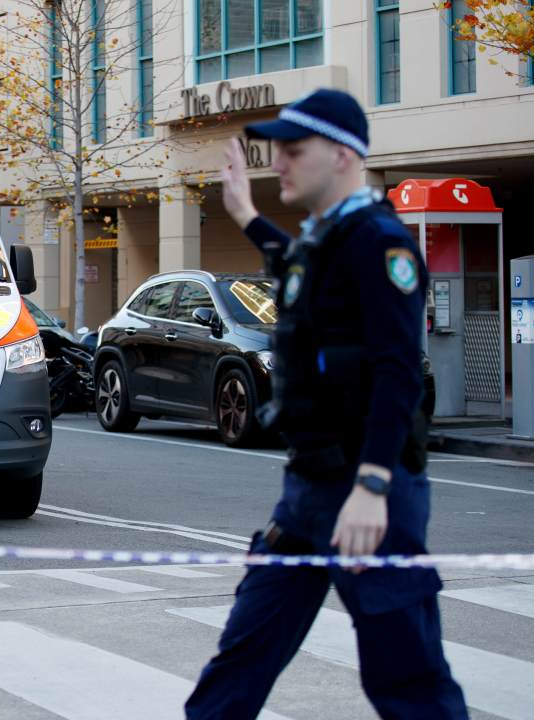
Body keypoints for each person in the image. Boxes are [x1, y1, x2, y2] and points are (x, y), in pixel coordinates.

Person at [184, 89, 468, 719]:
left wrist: (372, 484)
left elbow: (399, 373)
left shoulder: (381, 243)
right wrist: (245, 215)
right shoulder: (324, 239)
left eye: (293, 149)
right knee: (241, 658)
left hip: (370, 495)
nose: (277, 161)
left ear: (341, 156)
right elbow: (297, 273)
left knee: (408, 681)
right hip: (307, 491)